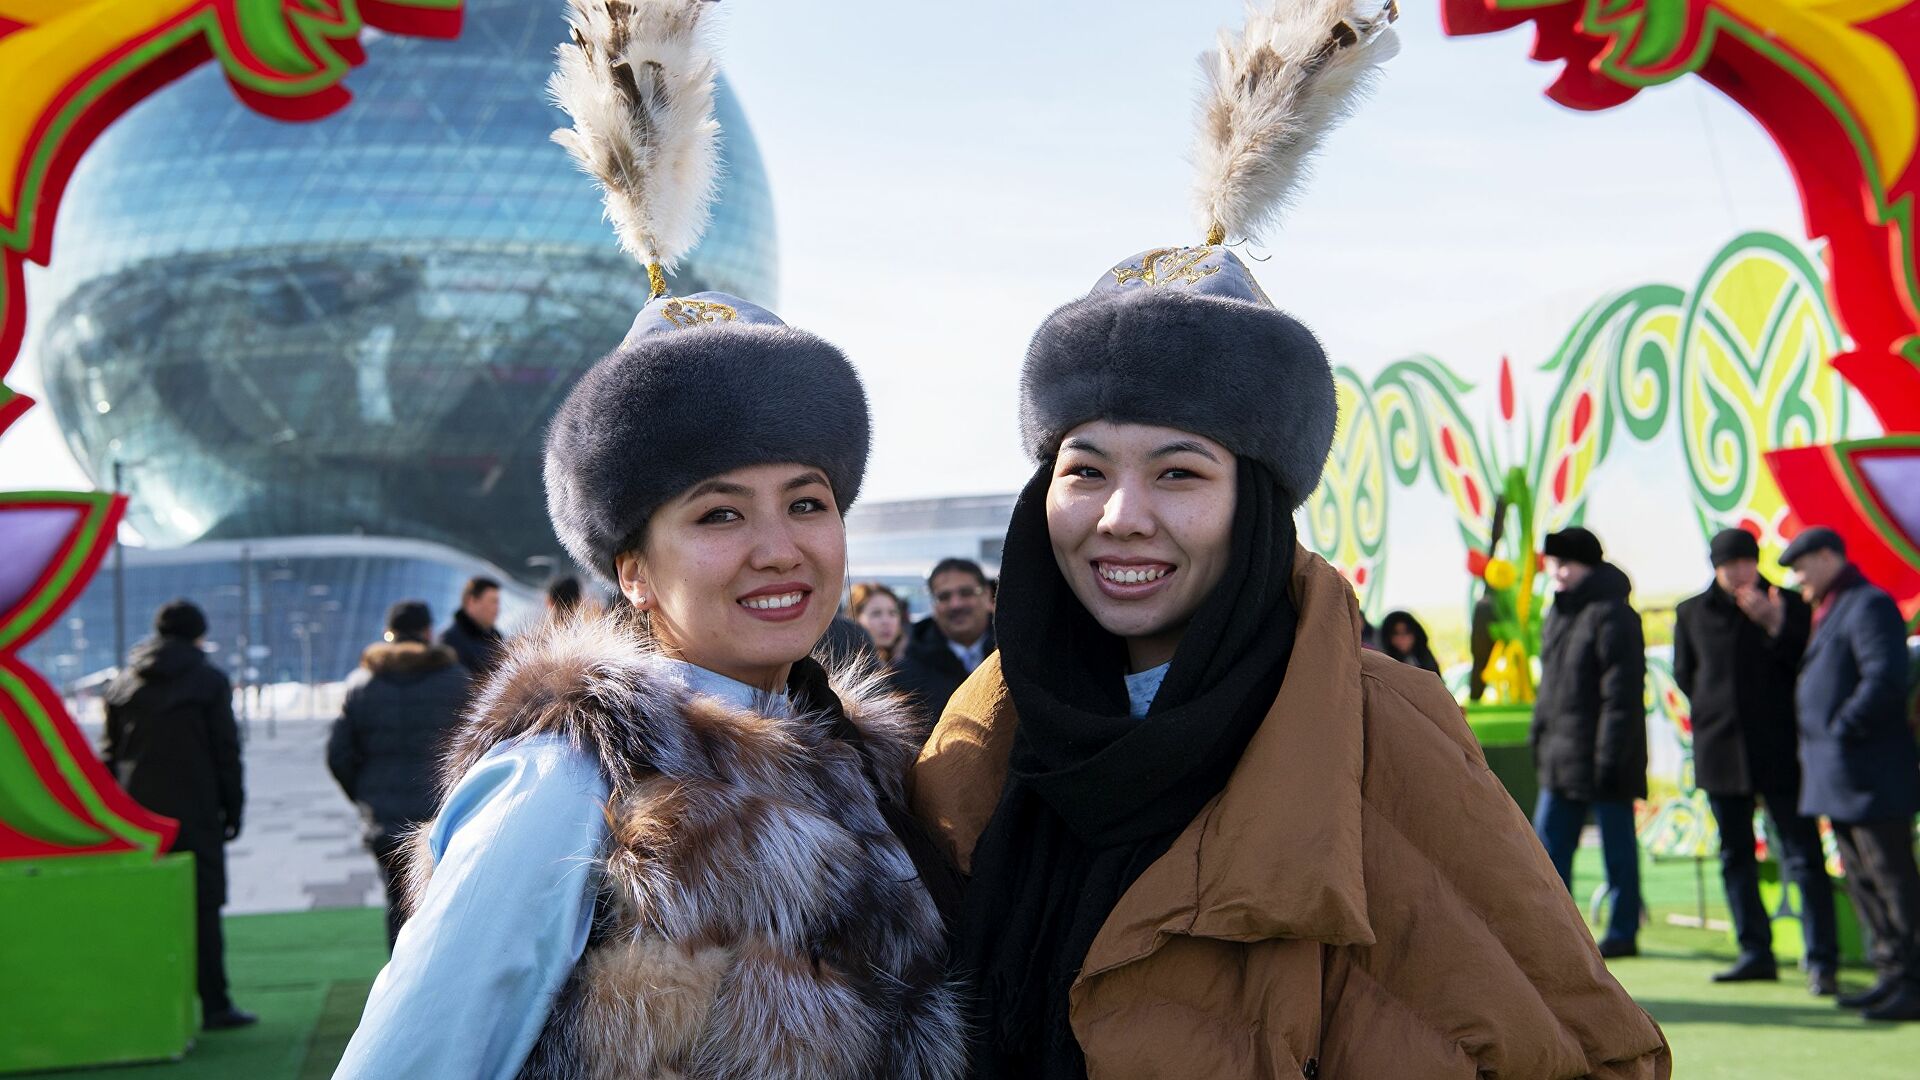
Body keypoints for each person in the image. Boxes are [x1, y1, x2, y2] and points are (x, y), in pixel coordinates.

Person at [913, 5, 1669, 1074]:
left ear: (1257, 502)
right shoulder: (979, 735)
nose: (1123, 514)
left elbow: (1577, 1041)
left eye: (1180, 472)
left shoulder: (1376, 727)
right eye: (1084, 469)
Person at [334, 8, 965, 1075]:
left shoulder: (865, 767)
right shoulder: (567, 785)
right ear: (631, 564)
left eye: (806, 502)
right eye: (718, 514)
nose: (780, 547)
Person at [1672, 528, 1838, 994]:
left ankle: (1822, 959)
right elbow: (1686, 675)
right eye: (1730, 565)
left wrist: (1773, 624)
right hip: (1720, 752)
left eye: (1746, 562)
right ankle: (1754, 951)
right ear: (1715, 567)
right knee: (1736, 856)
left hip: (1781, 750)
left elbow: (1806, 665)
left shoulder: (1787, 603)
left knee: (1803, 854)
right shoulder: (1691, 613)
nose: (1740, 572)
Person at [1780, 526, 1920, 1022]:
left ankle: (1913, 981)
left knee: (1891, 879)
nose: (1797, 580)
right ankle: (1890, 975)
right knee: (1863, 879)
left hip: (1870, 773)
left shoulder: (1867, 604)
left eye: (1800, 567)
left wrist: (1841, 729)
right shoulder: (1835, 607)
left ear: (1825, 557)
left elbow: (1885, 677)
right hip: (1842, 776)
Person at [101, 599, 254, 1030]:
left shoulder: (121, 685)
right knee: (204, 909)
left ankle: (148, 1005)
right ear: (198, 635)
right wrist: (233, 808)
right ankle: (216, 1005)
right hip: (196, 810)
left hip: (138, 817)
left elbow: (109, 758)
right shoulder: (209, 682)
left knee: (145, 907)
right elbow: (226, 751)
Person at [1532, 525, 1649, 958]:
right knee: (1547, 852)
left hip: (1605, 758)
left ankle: (1623, 930)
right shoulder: (1559, 612)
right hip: (1561, 755)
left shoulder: (1614, 614)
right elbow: (1551, 688)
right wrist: (1539, 734)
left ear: (1586, 565)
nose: (1557, 574)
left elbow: (1620, 694)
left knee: (1618, 851)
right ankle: (1554, 930)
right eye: (1553, 565)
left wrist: (1610, 755)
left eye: (1565, 564)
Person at [326, 600, 470, 950]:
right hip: (441, 819)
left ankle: (399, 990)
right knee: (442, 906)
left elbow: (337, 755)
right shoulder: (455, 680)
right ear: (428, 632)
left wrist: (366, 796)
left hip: (386, 823)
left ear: (388, 635)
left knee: (398, 906)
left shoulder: (362, 683)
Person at [892, 557, 997, 720]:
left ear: (988, 596)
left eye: (966, 593)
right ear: (933, 605)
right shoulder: (905, 675)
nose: (956, 604)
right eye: (944, 596)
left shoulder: (1018, 656)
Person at [439, 575, 504, 675]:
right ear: (472, 601)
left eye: (498, 603)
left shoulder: (497, 638)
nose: (497, 609)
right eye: (493, 602)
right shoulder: (450, 640)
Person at [850, 581, 908, 664]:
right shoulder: (843, 664)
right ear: (855, 617)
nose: (886, 621)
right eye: (876, 613)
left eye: (892, 613)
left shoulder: (917, 659)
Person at [1380, 609, 1440, 674]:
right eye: (1396, 633)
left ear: (1416, 634)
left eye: (1407, 632)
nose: (1402, 638)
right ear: (1387, 637)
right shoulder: (1383, 663)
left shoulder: (1425, 657)